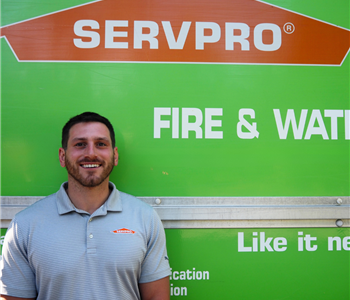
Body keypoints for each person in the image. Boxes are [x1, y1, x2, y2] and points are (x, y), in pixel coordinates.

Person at [0, 112, 171, 300]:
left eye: (101, 144)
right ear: (62, 156)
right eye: (80, 144)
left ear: (115, 156)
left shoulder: (145, 218)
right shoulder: (24, 226)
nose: (91, 153)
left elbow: (157, 296)